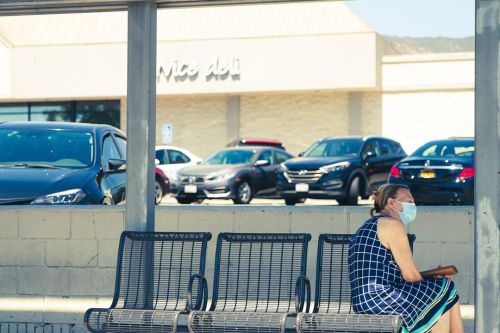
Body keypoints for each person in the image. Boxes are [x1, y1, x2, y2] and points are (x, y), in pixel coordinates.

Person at [348, 184, 464, 333]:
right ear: (391, 203)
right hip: (382, 299)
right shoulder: (391, 225)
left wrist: (433, 279)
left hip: (364, 302)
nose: (412, 205)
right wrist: (435, 283)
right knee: (445, 288)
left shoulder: (365, 227)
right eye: (408, 201)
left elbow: (393, 275)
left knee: (441, 292)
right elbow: (411, 276)